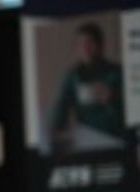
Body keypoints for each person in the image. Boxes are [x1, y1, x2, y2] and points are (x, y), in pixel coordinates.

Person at [51, 22, 124, 152]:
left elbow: (128, 113)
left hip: (114, 136)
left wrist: (111, 98)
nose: (85, 48)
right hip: (86, 137)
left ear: (100, 45)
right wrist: (56, 130)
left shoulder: (116, 73)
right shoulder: (73, 76)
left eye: (89, 43)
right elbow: (62, 105)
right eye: (80, 44)